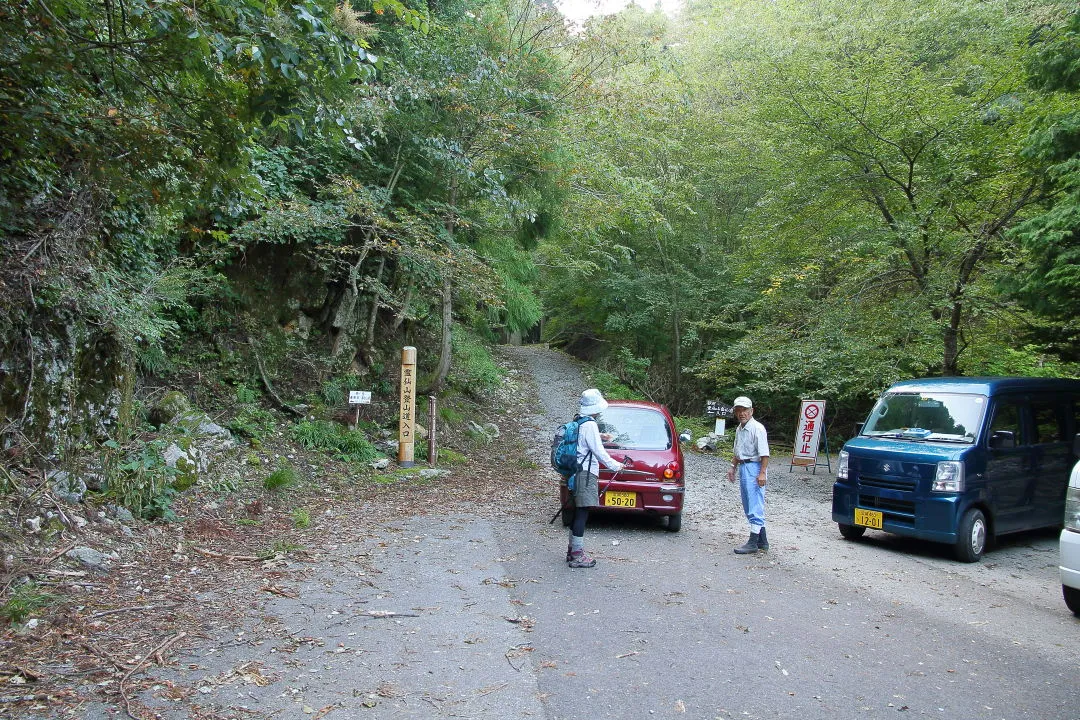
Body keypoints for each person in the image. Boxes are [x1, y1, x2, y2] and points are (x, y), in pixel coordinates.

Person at [567, 388, 628, 568]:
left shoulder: (579, 421)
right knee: (582, 513)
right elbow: (598, 452)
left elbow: (585, 442)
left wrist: (600, 436)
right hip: (585, 474)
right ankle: (577, 556)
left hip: (576, 472)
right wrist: (616, 466)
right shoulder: (590, 424)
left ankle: (572, 551)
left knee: (578, 512)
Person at [727, 395, 770, 554]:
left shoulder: (757, 428)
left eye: (744, 410)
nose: (741, 413)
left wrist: (762, 473)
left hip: (755, 466)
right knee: (748, 504)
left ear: (751, 411)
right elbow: (738, 451)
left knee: (755, 504)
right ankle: (762, 541)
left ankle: (753, 542)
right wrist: (733, 467)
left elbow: (765, 454)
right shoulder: (740, 428)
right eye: (738, 410)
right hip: (745, 466)